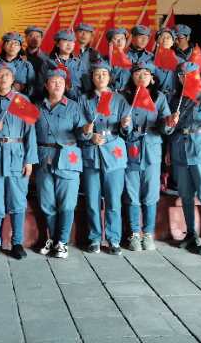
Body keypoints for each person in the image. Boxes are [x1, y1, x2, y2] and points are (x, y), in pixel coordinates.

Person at [0, 62, 38, 260]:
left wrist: (29, 160)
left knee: (18, 201)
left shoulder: (22, 101)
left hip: (17, 156)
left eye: (7, 75)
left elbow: (30, 133)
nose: (3, 78)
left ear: (13, 79)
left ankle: (17, 243)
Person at [166, 62, 201, 255]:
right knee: (185, 195)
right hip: (180, 149)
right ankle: (191, 233)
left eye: (189, 75)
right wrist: (171, 123)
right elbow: (169, 129)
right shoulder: (176, 99)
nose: (185, 78)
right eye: (182, 75)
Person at [34, 69, 87, 258]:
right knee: (46, 202)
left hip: (68, 157)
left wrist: (86, 131)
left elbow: (82, 134)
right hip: (44, 157)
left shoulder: (73, 107)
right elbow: (30, 134)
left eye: (61, 82)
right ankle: (53, 238)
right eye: (53, 81)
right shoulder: (37, 107)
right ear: (46, 85)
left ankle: (62, 242)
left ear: (66, 86)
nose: (57, 85)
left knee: (67, 203)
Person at [80, 60, 130, 255]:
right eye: (97, 74)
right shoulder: (84, 100)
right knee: (92, 200)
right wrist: (89, 135)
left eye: (104, 74)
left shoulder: (119, 99)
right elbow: (78, 126)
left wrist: (126, 125)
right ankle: (94, 238)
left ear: (109, 77)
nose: (100, 77)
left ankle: (113, 239)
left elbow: (127, 130)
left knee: (113, 200)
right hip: (91, 153)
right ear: (92, 78)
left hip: (114, 151)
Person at [123, 60, 171, 252]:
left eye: (145, 74)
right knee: (132, 192)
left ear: (152, 78)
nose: (141, 77)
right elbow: (118, 127)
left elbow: (165, 126)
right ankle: (134, 233)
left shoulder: (159, 97)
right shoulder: (124, 97)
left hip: (151, 146)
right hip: (131, 146)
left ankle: (148, 233)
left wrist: (169, 122)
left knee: (151, 193)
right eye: (137, 73)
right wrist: (124, 126)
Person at [0, 31, 35, 96]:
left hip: (19, 99)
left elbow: (32, 87)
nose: (12, 46)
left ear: (20, 47)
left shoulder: (26, 65)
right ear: (3, 46)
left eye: (16, 43)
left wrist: (22, 88)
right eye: (9, 42)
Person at [43, 29, 85, 101]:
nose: (69, 44)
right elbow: (40, 86)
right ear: (57, 44)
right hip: (53, 102)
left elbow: (86, 89)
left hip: (75, 102)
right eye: (65, 41)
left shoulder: (79, 64)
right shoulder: (48, 63)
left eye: (71, 41)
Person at [104, 27, 131, 93]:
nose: (120, 41)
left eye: (122, 38)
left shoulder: (131, 59)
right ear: (110, 42)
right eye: (116, 39)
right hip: (108, 93)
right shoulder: (104, 61)